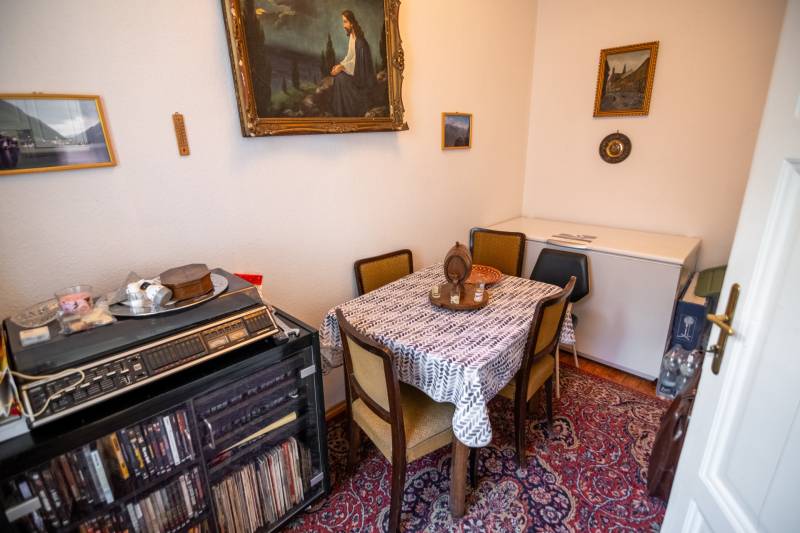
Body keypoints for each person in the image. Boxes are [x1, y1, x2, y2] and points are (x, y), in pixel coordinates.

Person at [330, 10, 376, 117]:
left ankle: (347, 111)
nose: (343, 25)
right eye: (343, 22)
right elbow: (349, 56)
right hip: (355, 72)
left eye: (345, 22)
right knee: (338, 76)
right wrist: (339, 65)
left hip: (361, 79)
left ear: (352, 23)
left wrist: (342, 67)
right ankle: (340, 112)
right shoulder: (352, 36)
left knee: (340, 78)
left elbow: (357, 63)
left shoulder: (360, 42)